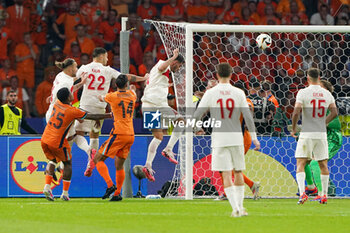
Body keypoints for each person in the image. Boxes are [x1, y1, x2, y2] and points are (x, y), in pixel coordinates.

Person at [194, 63, 260, 217]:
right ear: (231, 75)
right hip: (236, 137)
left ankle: (235, 208)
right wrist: (255, 138)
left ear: (217, 75)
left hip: (219, 139)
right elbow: (248, 118)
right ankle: (241, 207)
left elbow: (197, 114)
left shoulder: (211, 93)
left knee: (225, 173)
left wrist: (196, 127)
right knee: (238, 171)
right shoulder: (238, 93)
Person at [73, 47, 148, 177]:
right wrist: (143, 78)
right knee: (94, 135)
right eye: (107, 57)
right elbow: (126, 78)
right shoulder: (108, 70)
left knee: (78, 134)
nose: (108, 59)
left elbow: (73, 79)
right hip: (100, 107)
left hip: (85, 105)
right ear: (101, 56)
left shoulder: (84, 67)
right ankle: (90, 161)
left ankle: (89, 152)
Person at [42, 87, 111, 201]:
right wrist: (108, 115)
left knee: (53, 161)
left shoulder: (57, 103)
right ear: (68, 97)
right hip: (58, 141)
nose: (71, 94)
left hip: (45, 138)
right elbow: (92, 116)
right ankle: (65, 193)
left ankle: (47, 187)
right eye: (70, 93)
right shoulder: (72, 110)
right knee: (68, 163)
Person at [291, 68, 338, 205]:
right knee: (323, 164)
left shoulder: (303, 92)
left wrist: (294, 128)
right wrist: (324, 122)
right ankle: (323, 195)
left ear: (307, 78)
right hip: (321, 133)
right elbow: (334, 112)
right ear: (319, 77)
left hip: (307, 132)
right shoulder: (326, 93)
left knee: (300, 162)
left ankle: (303, 194)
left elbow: (296, 112)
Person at [141, 48, 185, 182]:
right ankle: (168, 148)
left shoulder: (163, 75)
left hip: (150, 106)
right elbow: (162, 66)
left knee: (158, 137)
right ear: (174, 62)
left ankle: (148, 165)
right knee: (181, 121)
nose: (178, 69)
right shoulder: (162, 65)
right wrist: (173, 57)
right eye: (179, 66)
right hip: (155, 105)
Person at [93, 75, 136, 201]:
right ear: (126, 85)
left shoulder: (112, 96)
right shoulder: (132, 95)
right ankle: (117, 194)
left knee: (97, 159)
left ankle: (110, 185)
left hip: (119, 133)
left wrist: (98, 95)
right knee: (119, 164)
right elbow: (133, 92)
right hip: (130, 134)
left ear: (116, 85)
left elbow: (101, 98)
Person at [216, 81, 261, 201]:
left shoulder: (246, 101)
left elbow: (249, 111)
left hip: (243, 138)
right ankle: (250, 186)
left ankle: (232, 192)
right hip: (231, 137)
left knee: (229, 166)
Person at [303, 80, 343, 198]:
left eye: (320, 87)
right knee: (303, 160)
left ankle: (322, 192)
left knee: (316, 162)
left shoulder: (329, 103)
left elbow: (335, 125)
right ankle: (311, 188)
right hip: (318, 136)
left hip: (332, 138)